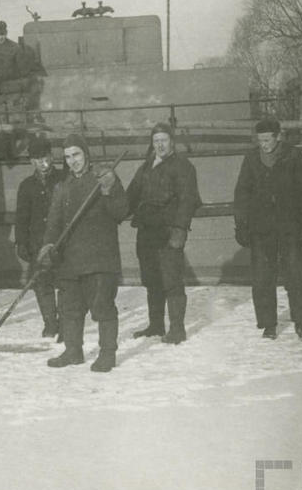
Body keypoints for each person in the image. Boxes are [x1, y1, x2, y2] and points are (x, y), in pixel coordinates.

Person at [37, 134, 128, 372]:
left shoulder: (102, 178)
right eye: (67, 157)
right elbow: (54, 223)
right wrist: (48, 246)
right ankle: (73, 351)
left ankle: (108, 353)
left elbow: (121, 212)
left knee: (102, 306)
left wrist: (110, 188)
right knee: (70, 309)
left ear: (86, 154)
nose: (72, 161)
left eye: (76, 154)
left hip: (99, 258)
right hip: (69, 260)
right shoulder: (62, 187)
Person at [233, 119, 302, 341]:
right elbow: (242, 192)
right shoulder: (251, 158)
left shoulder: (293, 156)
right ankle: (268, 325)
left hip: (290, 227)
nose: (264, 144)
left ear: (278, 136)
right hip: (261, 229)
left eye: (268, 139)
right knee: (262, 278)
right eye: (260, 140)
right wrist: (241, 223)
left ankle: (300, 323)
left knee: (296, 276)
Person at [126, 122, 200, 344]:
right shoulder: (146, 167)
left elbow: (189, 200)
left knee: (172, 280)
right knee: (151, 280)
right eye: (156, 141)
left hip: (169, 233)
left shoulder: (183, 166)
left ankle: (177, 329)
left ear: (172, 142)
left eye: (163, 140)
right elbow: (131, 197)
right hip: (147, 233)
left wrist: (180, 229)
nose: (159, 145)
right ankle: (156, 325)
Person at [14, 135, 65, 340]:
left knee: (64, 281)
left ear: (51, 157)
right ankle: (50, 323)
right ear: (31, 162)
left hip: (62, 241)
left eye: (45, 157)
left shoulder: (63, 179)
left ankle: (66, 321)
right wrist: (21, 242)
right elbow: (21, 217)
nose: (42, 163)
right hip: (37, 243)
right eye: (36, 159)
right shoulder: (26, 186)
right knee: (42, 284)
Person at [0, 20, 45, 125]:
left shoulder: (15, 48)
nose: (1, 37)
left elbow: (23, 69)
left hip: (10, 86)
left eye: (3, 34)